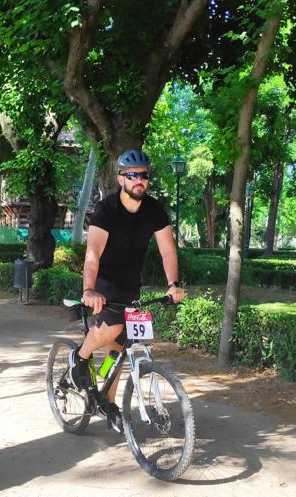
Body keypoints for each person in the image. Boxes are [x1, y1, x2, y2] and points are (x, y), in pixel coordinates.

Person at [68, 149, 185, 432]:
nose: (139, 180)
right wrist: (89, 289)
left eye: (144, 175)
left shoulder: (155, 210)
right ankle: (79, 357)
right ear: (121, 178)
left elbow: (168, 249)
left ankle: (108, 402)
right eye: (132, 175)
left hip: (131, 284)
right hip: (104, 283)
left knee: (123, 346)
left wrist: (173, 284)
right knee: (109, 331)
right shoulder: (107, 209)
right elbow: (93, 253)